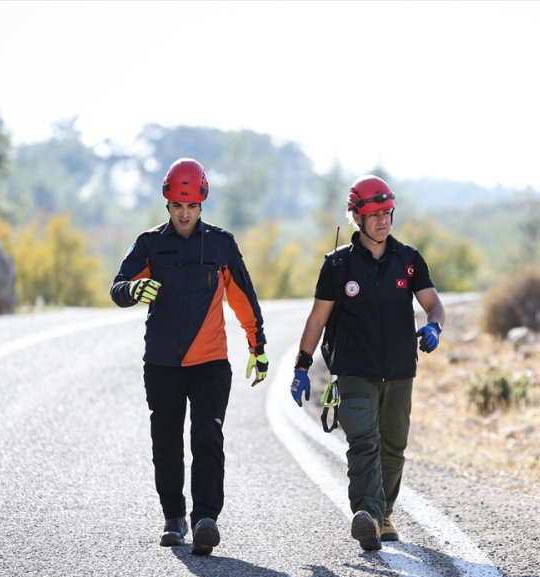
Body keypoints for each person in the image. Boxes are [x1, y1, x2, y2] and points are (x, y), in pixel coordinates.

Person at [110, 157, 268, 556]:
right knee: (165, 442)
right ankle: (173, 517)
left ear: (202, 204)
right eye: (179, 206)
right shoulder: (149, 243)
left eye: (192, 206)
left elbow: (243, 297)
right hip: (162, 362)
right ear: (167, 203)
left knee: (207, 437)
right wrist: (132, 292)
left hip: (211, 362)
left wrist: (258, 346)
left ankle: (205, 519)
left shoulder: (221, 244)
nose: (185, 214)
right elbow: (119, 286)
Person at [290, 175, 445, 551]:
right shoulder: (338, 265)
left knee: (394, 446)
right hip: (354, 370)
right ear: (357, 217)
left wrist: (435, 325)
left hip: (399, 369)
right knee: (364, 442)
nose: (382, 220)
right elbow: (317, 318)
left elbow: (433, 303)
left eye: (387, 212)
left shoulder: (408, 260)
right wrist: (301, 365)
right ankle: (368, 514)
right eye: (373, 214)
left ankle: (382, 512)